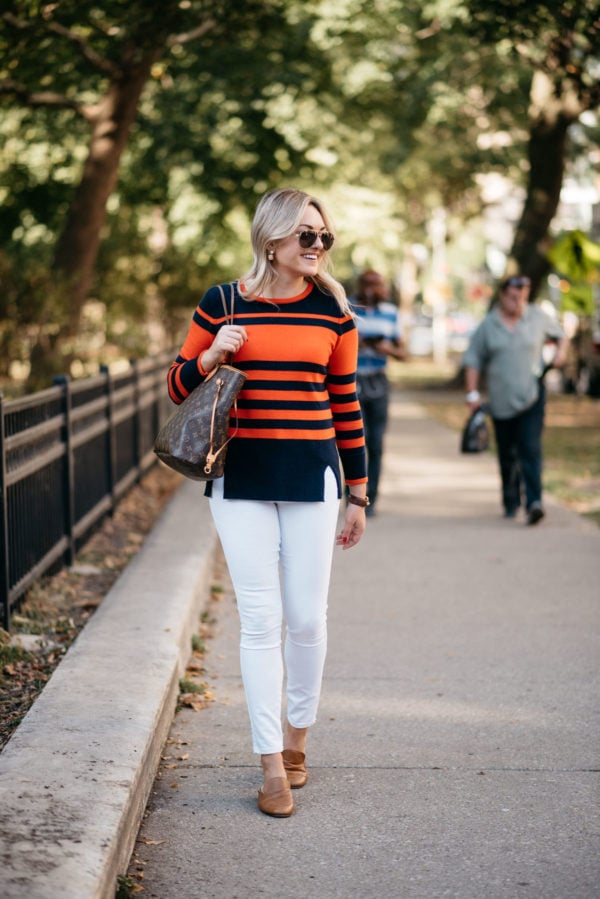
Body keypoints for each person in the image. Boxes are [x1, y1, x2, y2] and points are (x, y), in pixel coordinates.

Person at [167, 188, 368, 817]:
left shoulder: (334, 313)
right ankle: (270, 765)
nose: (316, 247)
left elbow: (346, 405)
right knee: (260, 620)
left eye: (323, 237)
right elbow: (177, 388)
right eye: (305, 236)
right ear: (271, 240)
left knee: (306, 618)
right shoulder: (222, 302)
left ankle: (297, 739)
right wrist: (211, 354)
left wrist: (359, 492)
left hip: (313, 476)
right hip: (240, 479)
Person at [463, 274, 568, 525]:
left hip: (532, 396)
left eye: (523, 296)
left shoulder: (538, 317)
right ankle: (511, 500)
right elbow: (473, 360)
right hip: (500, 401)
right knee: (507, 452)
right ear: (502, 295)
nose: (518, 301)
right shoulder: (489, 325)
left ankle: (534, 502)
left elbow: (561, 335)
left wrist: (561, 353)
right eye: (513, 296)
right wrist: (472, 393)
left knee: (530, 449)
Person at [350, 270, 405, 516]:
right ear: (360, 285)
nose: (372, 288)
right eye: (367, 283)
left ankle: (371, 496)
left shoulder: (391, 312)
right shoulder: (347, 307)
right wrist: (355, 344)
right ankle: (352, 493)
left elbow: (404, 353)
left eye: (377, 284)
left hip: (379, 381)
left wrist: (387, 348)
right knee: (353, 440)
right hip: (353, 381)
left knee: (376, 441)